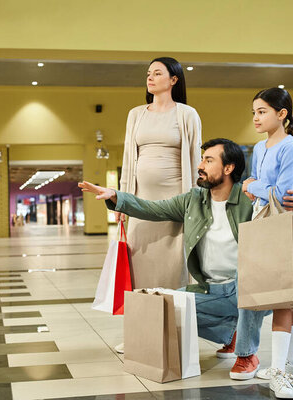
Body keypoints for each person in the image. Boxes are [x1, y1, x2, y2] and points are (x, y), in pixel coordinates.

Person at [78, 138, 293, 385]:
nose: (200, 165)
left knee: (247, 282)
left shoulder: (250, 199)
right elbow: (153, 209)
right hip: (211, 290)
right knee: (169, 307)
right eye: (202, 159)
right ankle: (231, 333)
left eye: (208, 160)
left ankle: (247, 355)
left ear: (228, 168)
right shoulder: (194, 199)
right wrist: (116, 197)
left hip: (251, 289)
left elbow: (284, 224)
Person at [115, 57, 201, 354]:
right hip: (139, 204)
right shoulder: (136, 114)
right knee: (138, 269)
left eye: (157, 73)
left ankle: (171, 333)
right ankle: (138, 333)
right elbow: (129, 160)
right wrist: (122, 202)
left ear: (173, 79)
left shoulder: (187, 114)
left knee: (172, 270)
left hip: (174, 204)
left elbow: (194, 160)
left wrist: (193, 204)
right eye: (148, 73)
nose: (150, 78)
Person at [242, 88, 293, 399]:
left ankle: (280, 371)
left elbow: (282, 193)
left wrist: (253, 186)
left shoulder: (291, 147)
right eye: (254, 112)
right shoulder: (259, 147)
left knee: (283, 297)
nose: (256, 117)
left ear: (281, 114)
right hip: (264, 223)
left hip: (283, 224)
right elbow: (261, 188)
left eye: (262, 111)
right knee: (285, 294)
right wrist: (258, 187)